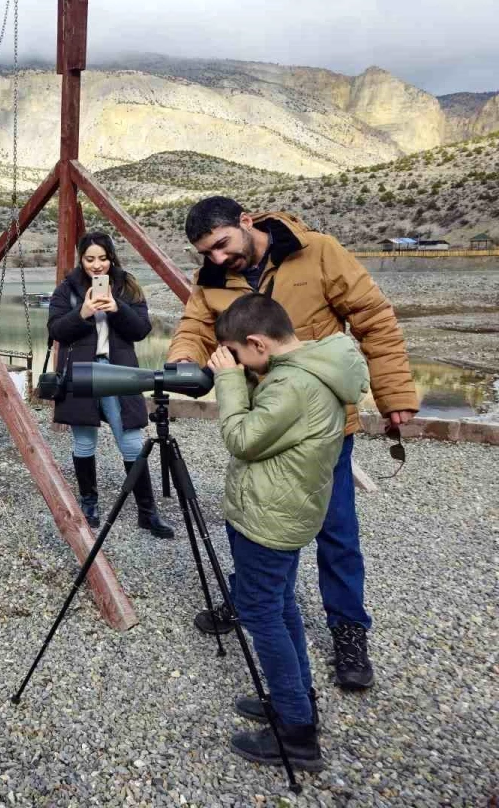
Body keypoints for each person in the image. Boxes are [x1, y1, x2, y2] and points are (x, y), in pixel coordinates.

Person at [168, 196, 418, 690]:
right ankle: (251, 598)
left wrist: (394, 393)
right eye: (206, 253)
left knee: (336, 531)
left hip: (322, 427)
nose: (217, 259)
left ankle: (348, 630)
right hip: (262, 422)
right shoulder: (212, 277)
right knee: (253, 518)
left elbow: (373, 319)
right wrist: (180, 360)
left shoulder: (319, 252)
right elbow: (195, 327)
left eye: (221, 245)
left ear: (246, 221)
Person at [207, 293, 369, 769]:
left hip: (269, 520)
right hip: (287, 511)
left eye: (237, 353)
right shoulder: (311, 367)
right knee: (280, 605)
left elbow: (242, 437)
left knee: (261, 614)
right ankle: (295, 700)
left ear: (256, 343)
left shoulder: (290, 388)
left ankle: (296, 734)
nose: (235, 362)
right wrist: (246, 372)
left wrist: (231, 381)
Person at [47, 230, 173, 538]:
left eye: (102, 258)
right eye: (90, 259)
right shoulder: (67, 289)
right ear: (81, 259)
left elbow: (141, 330)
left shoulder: (127, 286)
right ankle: (89, 503)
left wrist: (118, 308)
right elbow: (56, 331)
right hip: (82, 372)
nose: (97, 265)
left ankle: (147, 512)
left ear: (111, 257)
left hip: (119, 371)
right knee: (84, 442)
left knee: (130, 441)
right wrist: (84, 312)